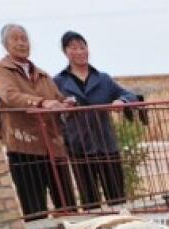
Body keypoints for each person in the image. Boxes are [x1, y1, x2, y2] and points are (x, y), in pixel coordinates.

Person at [0, 23, 77, 218]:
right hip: (25, 148)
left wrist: (66, 104)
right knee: (35, 209)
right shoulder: (1, 69)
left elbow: (57, 98)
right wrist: (42, 103)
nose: (21, 43)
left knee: (68, 205)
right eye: (16, 39)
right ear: (5, 44)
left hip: (53, 146)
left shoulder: (42, 74)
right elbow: (10, 95)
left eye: (24, 39)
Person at [53, 31, 139, 208]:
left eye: (82, 47)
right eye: (73, 47)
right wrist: (62, 108)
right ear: (65, 52)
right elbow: (52, 109)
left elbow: (130, 95)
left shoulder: (103, 78)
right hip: (79, 147)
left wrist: (121, 101)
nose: (79, 51)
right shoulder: (58, 81)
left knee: (117, 198)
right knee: (90, 201)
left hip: (106, 145)